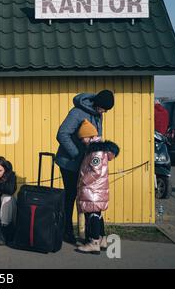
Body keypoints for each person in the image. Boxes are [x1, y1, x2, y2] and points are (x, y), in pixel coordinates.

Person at [55, 90, 115, 244]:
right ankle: (66, 231)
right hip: (70, 162)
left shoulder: (97, 114)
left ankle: (90, 234)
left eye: (106, 110)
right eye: (103, 109)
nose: (104, 112)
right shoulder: (77, 113)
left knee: (88, 197)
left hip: (85, 163)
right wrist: (76, 154)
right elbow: (62, 134)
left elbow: (95, 136)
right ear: (96, 104)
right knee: (71, 196)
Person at [74, 119, 119, 254]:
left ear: (90, 136)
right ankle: (102, 239)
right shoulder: (97, 150)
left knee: (92, 215)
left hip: (92, 190)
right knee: (97, 214)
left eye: (83, 137)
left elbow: (96, 171)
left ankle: (93, 242)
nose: (82, 140)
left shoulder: (96, 152)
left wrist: (83, 181)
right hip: (96, 190)